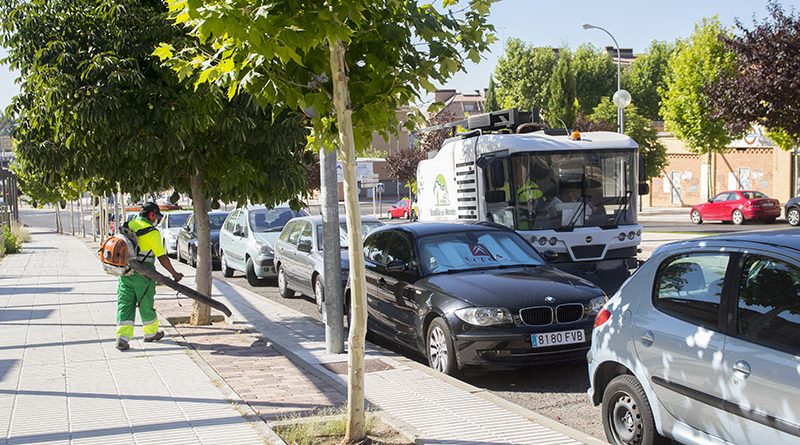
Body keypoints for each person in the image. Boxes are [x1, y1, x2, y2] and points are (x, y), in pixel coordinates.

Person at [115, 202, 183, 351]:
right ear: (152, 215)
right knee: (146, 304)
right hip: (144, 275)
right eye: (156, 216)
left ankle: (122, 338)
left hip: (125, 273)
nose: (156, 220)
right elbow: (162, 257)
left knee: (125, 304)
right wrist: (174, 274)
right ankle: (151, 333)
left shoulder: (128, 224)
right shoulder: (152, 232)